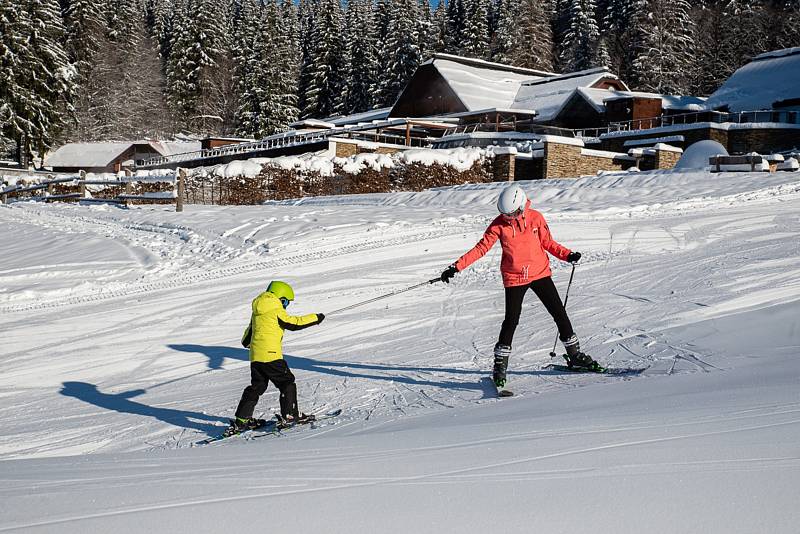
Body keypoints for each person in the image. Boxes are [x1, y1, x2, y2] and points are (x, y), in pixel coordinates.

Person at [440, 185, 598, 387]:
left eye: (512, 213)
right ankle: (500, 365)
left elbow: (548, 242)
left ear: (522, 206)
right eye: (505, 214)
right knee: (511, 320)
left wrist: (567, 254)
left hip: (540, 273)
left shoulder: (536, 218)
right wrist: (456, 267)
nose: (508, 218)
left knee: (559, 312)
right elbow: (480, 249)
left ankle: (575, 355)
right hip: (514, 277)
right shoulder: (498, 225)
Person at [226, 280, 325, 436]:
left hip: (256, 358)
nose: (285, 306)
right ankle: (290, 415)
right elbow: (293, 323)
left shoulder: (257, 311)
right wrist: (316, 318)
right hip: (272, 356)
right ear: (281, 298)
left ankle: (242, 420)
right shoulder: (275, 309)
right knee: (287, 382)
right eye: (286, 302)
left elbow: (246, 339)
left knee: (257, 387)